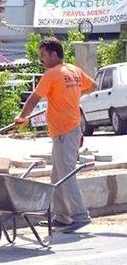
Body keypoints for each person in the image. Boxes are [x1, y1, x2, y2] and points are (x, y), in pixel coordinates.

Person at [15, 37, 97, 233]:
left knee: (66, 175)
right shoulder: (73, 71)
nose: (41, 59)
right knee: (57, 176)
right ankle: (61, 216)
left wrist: (21, 117)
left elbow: (34, 98)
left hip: (64, 132)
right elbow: (93, 86)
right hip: (69, 130)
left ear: (54, 54)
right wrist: (72, 95)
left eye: (43, 55)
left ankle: (80, 216)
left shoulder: (52, 74)